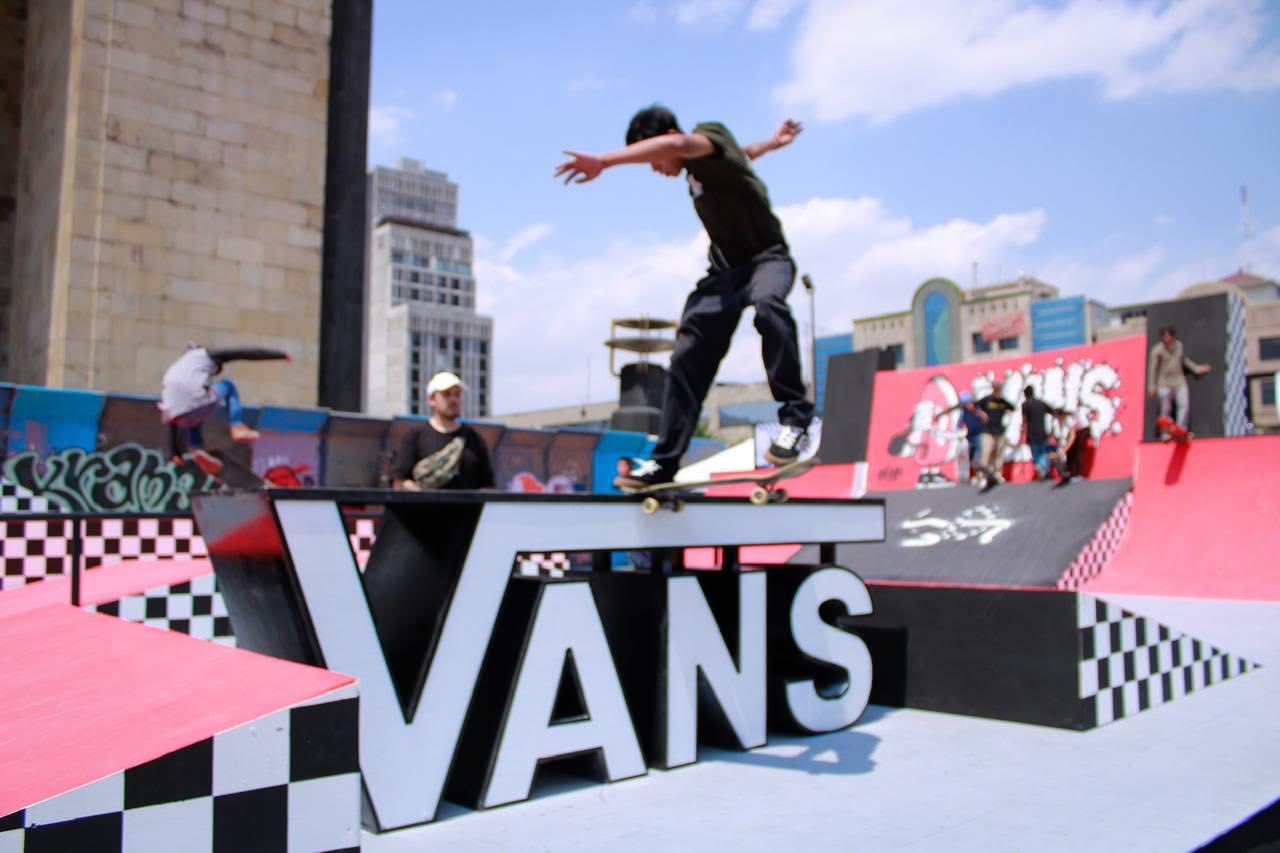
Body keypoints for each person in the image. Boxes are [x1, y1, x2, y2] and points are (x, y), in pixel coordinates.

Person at [556, 105, 813, 488]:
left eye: (654, 158)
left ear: (671, 137)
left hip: (767, 260)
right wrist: (773, 143)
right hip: (723, 275)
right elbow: (745, 153)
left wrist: (605, 161)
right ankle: (664, 463)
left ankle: (795, 421)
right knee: (686, 358)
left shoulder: (708, 132)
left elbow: (679, 145)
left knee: (769, 306)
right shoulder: (708, 164)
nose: (655, 168)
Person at [159, 343, 289, 473]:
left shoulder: (175, 370)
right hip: (197, 403)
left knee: (192, 413)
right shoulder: (206, 355)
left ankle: (197, 448)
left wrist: (175, 453)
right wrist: (279, 354)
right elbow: (244, 352)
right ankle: (237, 426)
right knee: (228, 385)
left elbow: (174, 419)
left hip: (179, 416)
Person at [393, 371, 495, 491]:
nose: (453, 400)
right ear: (431, 399)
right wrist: (423, 495)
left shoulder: (474, 438)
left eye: (457, 395)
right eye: (446, 394)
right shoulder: (415, 436)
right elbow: (399, 482)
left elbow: (487, 486)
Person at [1148, 325, 1210, 440]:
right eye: (1164, 336)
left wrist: (1197, 369)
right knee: (1165, 409)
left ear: (1173, 336)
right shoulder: (1157, 350)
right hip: (1164, 383)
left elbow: (1184, 360)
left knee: (1184, 405)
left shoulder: (1179, 346)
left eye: (1168, 336)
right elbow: (1153, 369)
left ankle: (1181, 429)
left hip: (1179, 381)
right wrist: (1152, 386)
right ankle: (1165, 433)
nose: (1166, 338)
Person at [935, 390, 987, 485]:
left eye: (968, 403)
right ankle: (974, 476)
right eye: (965, 403)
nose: (967, 405)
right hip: (969, 436)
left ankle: (981, 477)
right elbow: (956, 415)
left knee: (978, 457)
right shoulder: (964, 411)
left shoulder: (977, 409)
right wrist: (941, 414)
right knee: (971, 458)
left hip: (978, 435)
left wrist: (983, 418)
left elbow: (985, 418)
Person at [1020, 387, 1070, 482]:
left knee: (1036, 453)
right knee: (1042, 452)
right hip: (1042, 432)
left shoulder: (1025, 405)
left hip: (1032, 433)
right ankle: (1045, 470)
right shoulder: (1041, 403)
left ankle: (1043, 471)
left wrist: (1022, 431)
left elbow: (1024, 420)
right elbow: (1052, 412)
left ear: (1025, 395)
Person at [973, 389, 1016, 490]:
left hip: (999, 432)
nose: (998, 394)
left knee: (998, 454)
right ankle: (982, 475)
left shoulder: (1002, 401)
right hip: (987, 431)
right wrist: (981, 413)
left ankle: (996, 473)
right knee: (986, 452)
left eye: (999, 392)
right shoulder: (987, 400)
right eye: (996, 391)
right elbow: (974, 406)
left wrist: (1006, 414)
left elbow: (1013, 408)